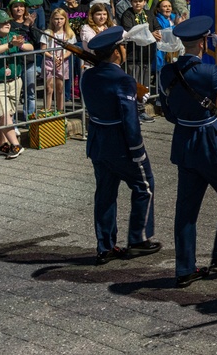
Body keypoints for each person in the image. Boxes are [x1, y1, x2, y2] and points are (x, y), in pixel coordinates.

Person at [158, 16, 217, 288]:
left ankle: (184, 269)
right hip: (211, 141)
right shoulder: (209, 72)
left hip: (184, 140)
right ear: (204, 43)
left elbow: (167, 110)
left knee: (186, 209)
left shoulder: (167, 72)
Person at [79, 25, 161, 265]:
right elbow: (130, 120)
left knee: (105, 194)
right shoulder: (124, 80)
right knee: (144, 186)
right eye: (122, 47)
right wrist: (137, 150)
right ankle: (138, 238)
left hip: (98, 143)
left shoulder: (88, 76)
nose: (124, 50)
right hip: (121, 144)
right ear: (116, 52)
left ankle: (104, 246)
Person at [0, 10, 30, 159]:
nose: (7, 24)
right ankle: (15, 145)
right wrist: (10, 45)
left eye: (8, 22)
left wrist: (20, 45)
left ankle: (3, 145)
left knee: (8, 114)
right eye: (3, 22)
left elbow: (31, 48)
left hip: (14, 81)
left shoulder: (14, 35)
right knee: (3, 114)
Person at [42, 8, 73, 112]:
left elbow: (70, 50)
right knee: (49, 88)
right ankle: (47, 110)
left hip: (62, 62)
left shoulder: (69, 33)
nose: (58, 21)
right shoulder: (47, 32)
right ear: (52, 20)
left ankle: (60, 111)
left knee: (60, 88)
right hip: (49, 62)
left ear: (65, 20)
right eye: (56, 19)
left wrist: (62, 58)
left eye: (61, 18)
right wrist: (52, 56)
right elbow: (43, 49)